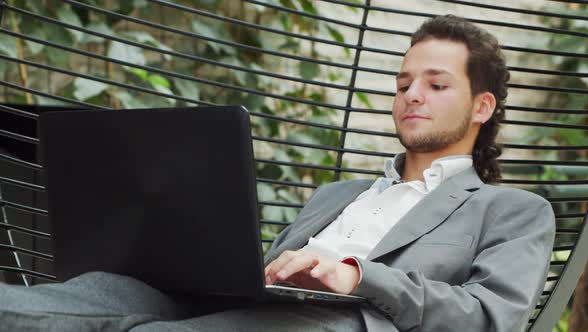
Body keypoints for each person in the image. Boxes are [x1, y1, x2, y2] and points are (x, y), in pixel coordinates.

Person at [0, 15, 554, 332]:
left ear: (482, 107)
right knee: (94, 296)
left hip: (342, 323)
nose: (411, 95)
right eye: (403, 82)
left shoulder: (512, 211)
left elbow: (489, 318)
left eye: (436, 85)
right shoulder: (338, 194)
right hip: (244, 307)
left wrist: (358, 274)